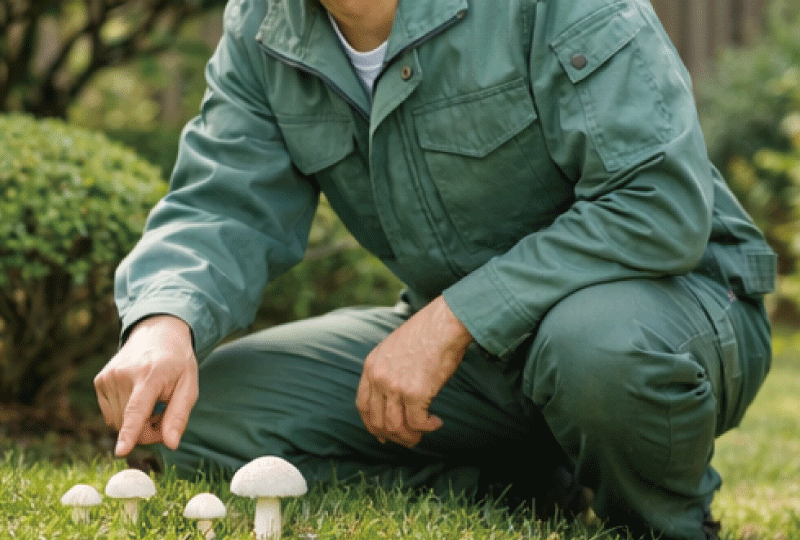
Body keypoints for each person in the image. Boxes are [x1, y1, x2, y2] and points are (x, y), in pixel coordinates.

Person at [93, 0, 776, 538]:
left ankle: (659, 524)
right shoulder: (261, 27)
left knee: (599, 349)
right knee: (203, 418)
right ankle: (530, 488)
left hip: (672, 307)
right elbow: (224, 201)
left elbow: (656, 201)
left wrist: (452, 320)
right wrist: (164, 319)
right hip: (474, 356)